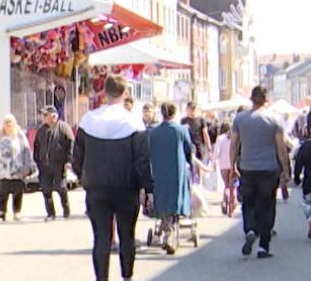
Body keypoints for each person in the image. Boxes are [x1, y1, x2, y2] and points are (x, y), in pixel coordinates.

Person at [71, 76, 150, 281]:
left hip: (97, 188)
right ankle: (127, 276)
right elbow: (142, 159)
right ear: (125, 94)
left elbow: (77, 156)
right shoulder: (133, 121)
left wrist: (83, 177)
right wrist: (147, 188)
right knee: (127, 236)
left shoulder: (89, 120)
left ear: (104, 92)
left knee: (101, 239)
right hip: (126, 187)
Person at [231, 85, 290, 259]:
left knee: (248, 203)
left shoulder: (240, 119)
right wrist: (285, 170)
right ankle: (264, 245)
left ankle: (250, 229)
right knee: (267, 206)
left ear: (251, 99)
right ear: (266, 99)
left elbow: (234, 144)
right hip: (269, 169)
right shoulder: (275, 119)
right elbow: (281, 147)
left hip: (247, 167)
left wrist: (233, 165)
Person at [148, 102, 193, 255]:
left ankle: (167, 229)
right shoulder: (181, 130)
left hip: (159, 171)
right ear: (174, 114)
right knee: (176, 199)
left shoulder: (153, 132)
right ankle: (171, 233)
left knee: (163, 199)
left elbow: (149, 151)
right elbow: (188, 150)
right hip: (177, 171)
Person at [33, 105, 74, 221]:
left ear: (53, 116)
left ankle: (66, 210)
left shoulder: (63, 127)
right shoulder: (41, 130)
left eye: (46, 115)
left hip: (59, 165)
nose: (43, 117)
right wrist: (38, 162)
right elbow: (37, 147)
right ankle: (51, 213)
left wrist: (69, 161)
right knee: (46, 190)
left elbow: (71, 145)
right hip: (45, 166)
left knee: (61, 188)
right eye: (43, 115)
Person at [0, 114, 33, 222]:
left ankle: (17, 212)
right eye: (6, 123)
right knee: (3, 191)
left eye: (10, 123)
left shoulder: (19, 135)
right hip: (3, 169)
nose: (8, 125)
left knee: (17, 191)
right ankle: (1, 212)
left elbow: (26, 151)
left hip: (17, 169)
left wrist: (26, 166)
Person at [212, 121, 236, 217]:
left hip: (223, 165)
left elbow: (216, 153)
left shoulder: (220, 138)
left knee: (226, 185)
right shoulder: (235, 137)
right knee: (233, 187)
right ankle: (231, 209)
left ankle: (225, 202)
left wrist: (214, 162)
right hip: (233, 165)